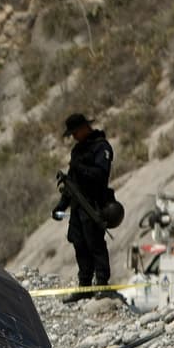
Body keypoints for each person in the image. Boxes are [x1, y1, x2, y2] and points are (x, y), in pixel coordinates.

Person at [51, 112, 114, 303]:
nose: (74, 137)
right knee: (79, 243)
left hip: (94, 204)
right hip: (78, 207)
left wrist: (81, 168)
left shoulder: (101, 147)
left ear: (84, 128)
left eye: (75, 133)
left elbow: (101, 175)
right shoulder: (78, 151)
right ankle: (85, 285)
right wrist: (61, 206)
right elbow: (71, 183)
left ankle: (102, 284)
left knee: (95, 244)